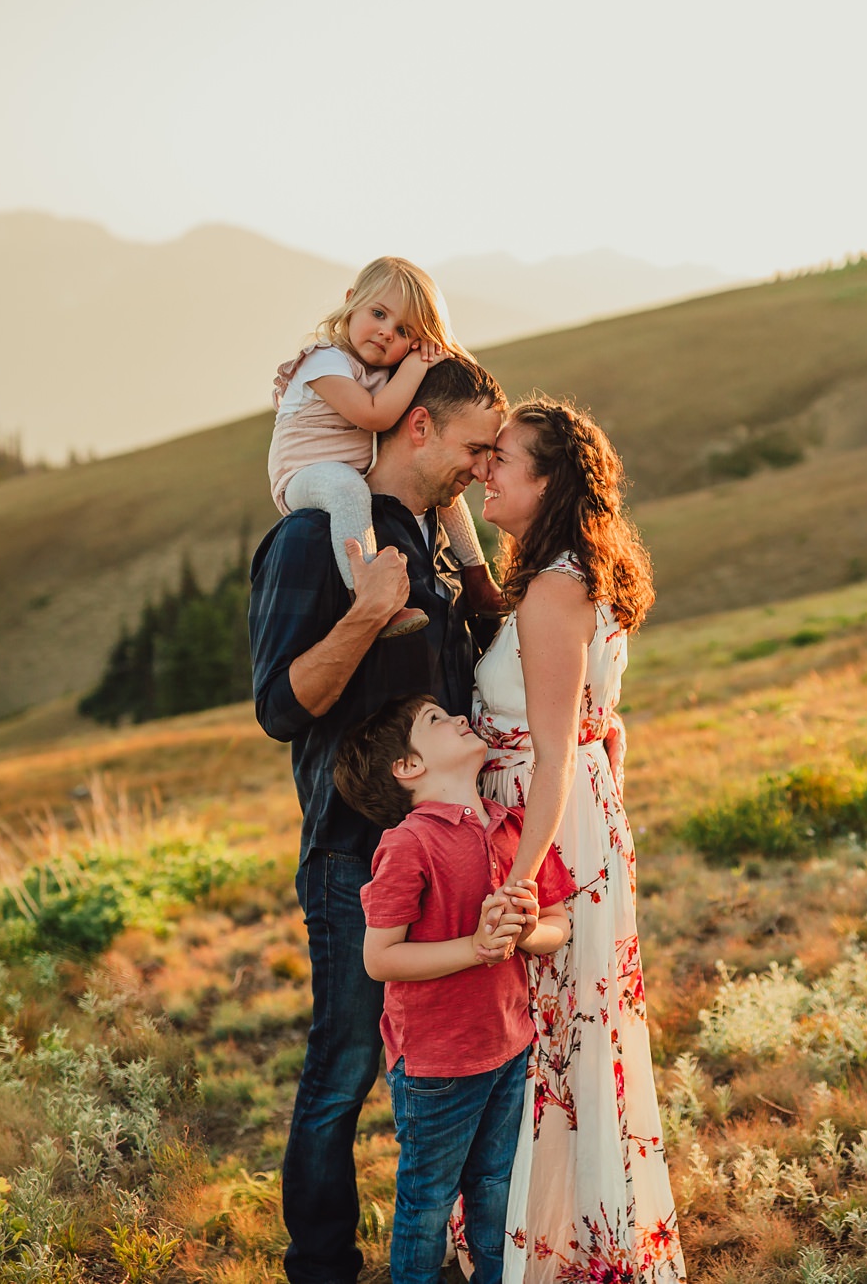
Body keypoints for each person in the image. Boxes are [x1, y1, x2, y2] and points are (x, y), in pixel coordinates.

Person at [249, 355, 506, 1284]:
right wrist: (364, 616)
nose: (482, 469)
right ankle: (320, 1267)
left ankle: (435, 1253)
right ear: (417, 427)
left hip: (454, 858)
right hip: (354, 859)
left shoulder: (435, 539)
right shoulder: (314, 537)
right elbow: (280, 706)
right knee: (345, 1068)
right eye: (474, 447)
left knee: (447, 1069)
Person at [474, 398, 687, 1282]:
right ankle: (551, 1234)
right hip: (576, 825)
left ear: (549, 480)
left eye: (502, 458)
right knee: (563, 1043)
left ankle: (553, 1251)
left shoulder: (558, 587)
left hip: (550, 836)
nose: (485, 467)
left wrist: (519, 884)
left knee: (549, 1040)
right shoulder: (561, 573)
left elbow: (557, 754)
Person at [335, 694, 577, 1284]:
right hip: (438, 1064)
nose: (459, 719)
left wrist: (525, 934)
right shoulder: (409, 843)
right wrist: (474, 948)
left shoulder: (513, 828)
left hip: (510, 1045)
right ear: (408, 767)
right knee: (428, 1201)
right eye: (436, 722)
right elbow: (379, 958)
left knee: (495, 1190)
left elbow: (560, 923)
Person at [268, 256, 504, 635]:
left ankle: (477, 578)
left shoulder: (383, 373)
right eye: (378, 313)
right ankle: (369, 600)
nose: (386, 333)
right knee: (348, 489)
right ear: (351, 301)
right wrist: (414, 366)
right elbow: (374, 416)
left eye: (404, 331)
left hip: (351, 472)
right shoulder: (324, 361)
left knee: (444, 488)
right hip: (304, 474)